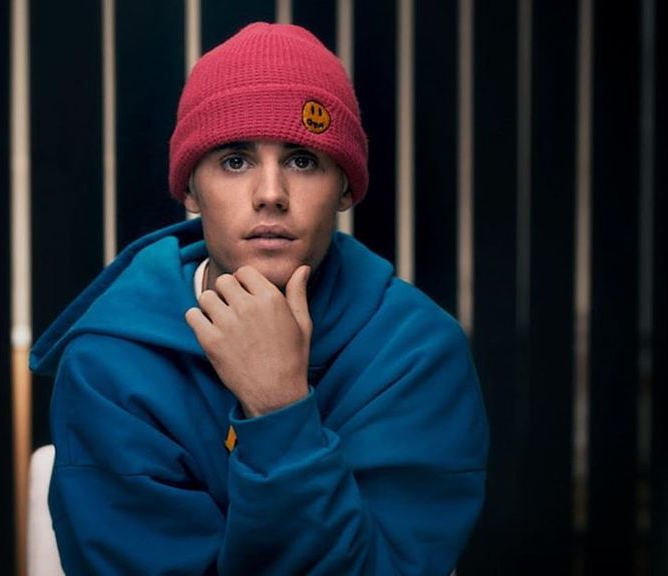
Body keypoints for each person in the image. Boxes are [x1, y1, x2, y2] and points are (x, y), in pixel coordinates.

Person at [29, 21, 488, 575]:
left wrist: (279, 408)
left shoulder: (416, 353)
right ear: (190, 188)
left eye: (302, 160)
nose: (271, 194)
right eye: (235, 161)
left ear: (345, 186)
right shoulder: (110, 365)